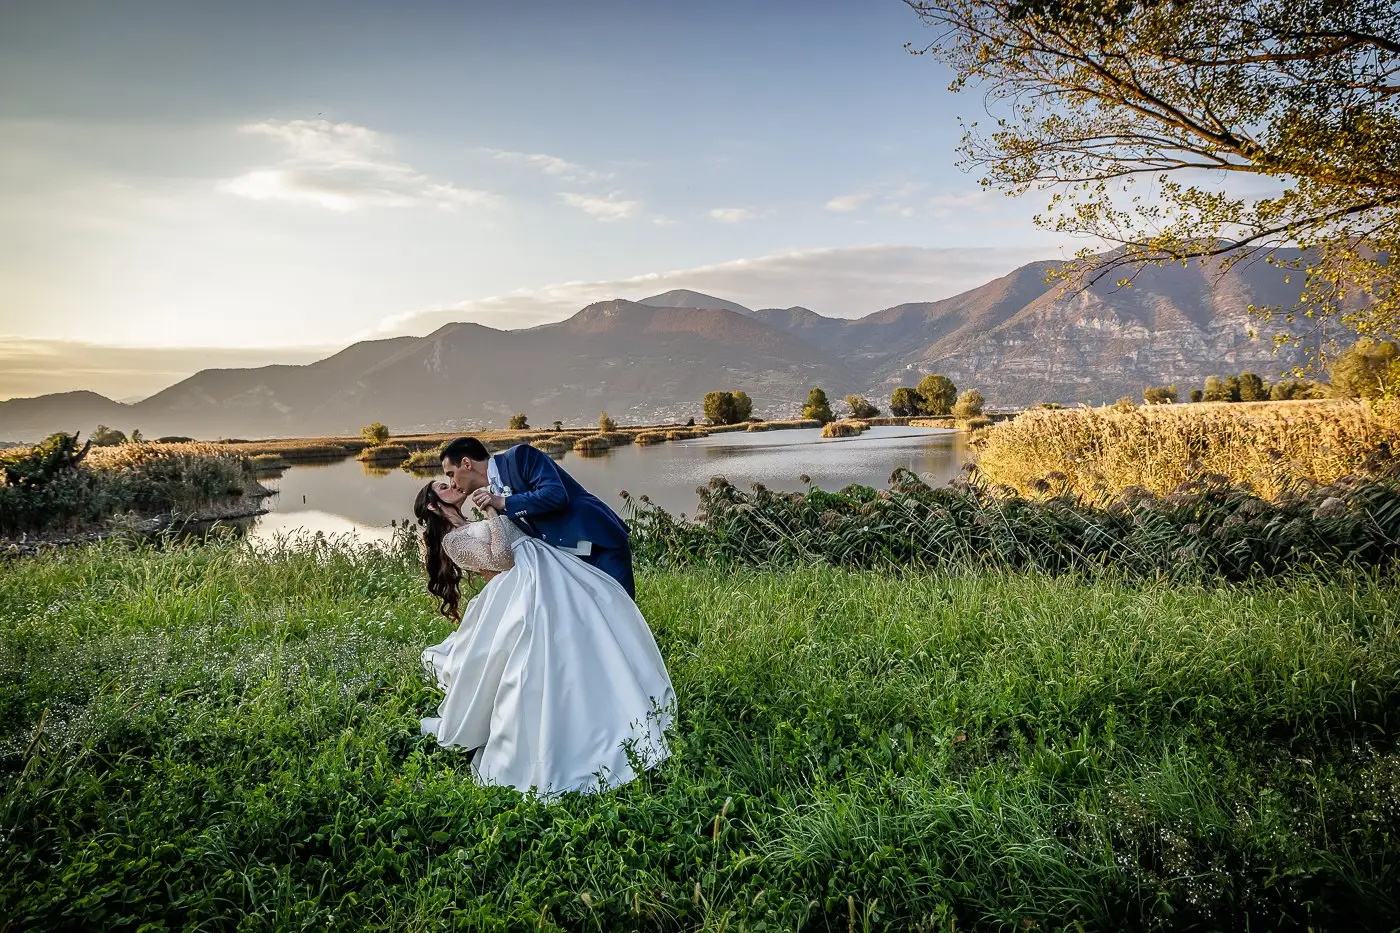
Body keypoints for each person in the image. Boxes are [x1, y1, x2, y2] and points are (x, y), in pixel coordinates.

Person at [413, 479, 674, 796]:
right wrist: (493, 513)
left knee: (589, 623)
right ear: (432, 505)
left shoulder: (473, 522)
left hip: (543, 570)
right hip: (518, 585)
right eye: (443, 487)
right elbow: (502, 560)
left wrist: (500, 506)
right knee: (538, 653)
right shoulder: (454, 541)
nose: (452, 484)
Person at [440, 436, 636, 598]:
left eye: (451, 474)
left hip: (598, 542)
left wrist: (503, 503)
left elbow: (556, 494)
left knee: (622, 613)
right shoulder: (492, 494)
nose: (452, 483)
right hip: (569, 563)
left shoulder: (520, 457)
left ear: (466, 463)